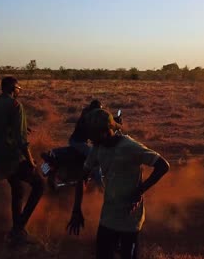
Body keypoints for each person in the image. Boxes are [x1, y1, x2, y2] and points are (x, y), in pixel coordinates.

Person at [67, 109, 170, 259]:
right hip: (108, 217)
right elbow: (82, 178)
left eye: (92, 135)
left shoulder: (130, 147)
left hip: (129, 220)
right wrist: (76, 210)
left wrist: (140, 191)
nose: (90, 140)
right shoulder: (98, 148)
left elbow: (163, 165)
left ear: (104, 132)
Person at [0, 76, 44, 245]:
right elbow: (21, 140)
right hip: (14, 156)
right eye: (19, 89)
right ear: (12, 88)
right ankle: (18, 228)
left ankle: (18, 230)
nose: (19, 92)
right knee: (40, 185)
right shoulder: (16, 105)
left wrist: (9, 128)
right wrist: (30, 160)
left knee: (17, 189)